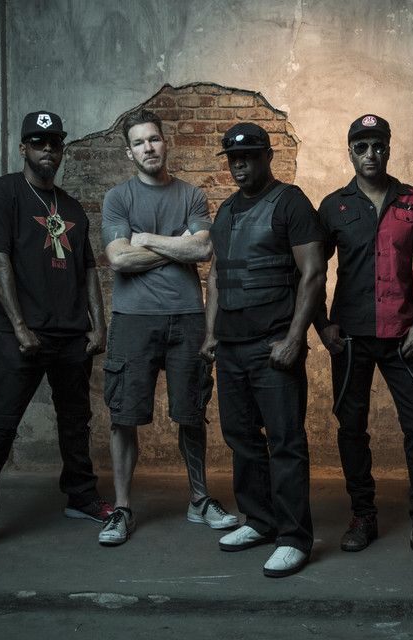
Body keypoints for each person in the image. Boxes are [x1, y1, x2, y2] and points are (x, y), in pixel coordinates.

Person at [0, 110, 113, 564]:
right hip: (23, 335)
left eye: (54, 143)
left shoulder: (70, 206)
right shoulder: (4, 193)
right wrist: (18, 326)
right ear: (23, 149)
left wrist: (98, 323)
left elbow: (88, 268)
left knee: (76, 420)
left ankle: (81, 496)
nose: (47, 149)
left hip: (71, 334)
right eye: (38, 142)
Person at [315, 114, 413, 566]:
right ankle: (363, 515)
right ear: (350, 152)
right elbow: (311, 270)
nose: (370, 154)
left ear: (389, 149)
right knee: (352, 427)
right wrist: (321, 323)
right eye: (362, 147)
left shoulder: (412, 200)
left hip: (402, 337)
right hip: (351, 337)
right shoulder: (334, 206)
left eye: (378, 145)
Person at [99, 109, 237, 546]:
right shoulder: (118, 198)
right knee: (124, 416)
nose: (149, 148)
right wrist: (178, 245)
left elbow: (203, 251)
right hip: (133, 320)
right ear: (129, 152)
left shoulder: (191, 195)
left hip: (187, 317)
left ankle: (199, 500)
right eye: (139, 142)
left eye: (154, 139)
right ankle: (122, 509)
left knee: (191, 413)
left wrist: (145, 239)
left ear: (166, 142)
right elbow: (119, 258)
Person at [200, 122, 325, 578]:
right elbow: (217, 274)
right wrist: (210, 334)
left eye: (249, 156)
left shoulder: (291, 202)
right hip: (231, 348)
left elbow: (313, 273)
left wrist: (294, 339)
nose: (240, 165)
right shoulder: (227, 210)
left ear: (268, 156)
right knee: (242, 439)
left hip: (272, 347)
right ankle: (260, 520)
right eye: (233, 158)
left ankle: (294, 538)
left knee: (285, 442)